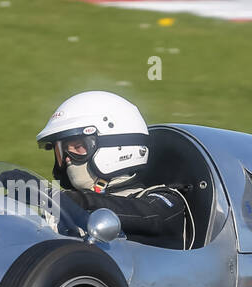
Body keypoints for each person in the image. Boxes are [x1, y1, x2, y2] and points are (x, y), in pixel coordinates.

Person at [35, 91, 190, 249]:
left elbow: (147, 216)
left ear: (117, 146)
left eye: (78, 147)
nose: (67, 158)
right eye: (61, 151)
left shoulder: (166, 203)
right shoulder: (67, 209)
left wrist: (74, 200)